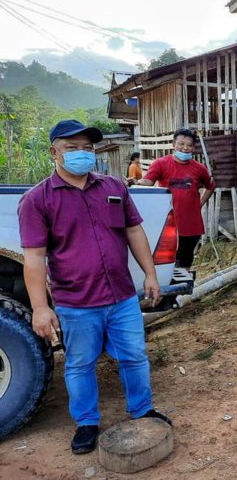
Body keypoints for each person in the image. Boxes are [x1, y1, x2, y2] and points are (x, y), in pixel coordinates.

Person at [18, 119, 171, 455]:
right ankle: (87, 422)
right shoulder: (37, 200)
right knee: (80, 364)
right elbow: (34, 257)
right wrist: (41, 307)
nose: (81, 154)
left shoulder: (113, 187)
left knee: (134, 356)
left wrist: (149, 273)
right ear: (53, 151)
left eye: (87, 148)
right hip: (76, 302)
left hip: (122, 296)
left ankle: (142, 409)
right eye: (71, 148)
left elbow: (134, 232)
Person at [136, 128, 215, 269]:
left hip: (192, 226)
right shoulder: (160, 164)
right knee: (167, 262)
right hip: (168, 224)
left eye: (189, 145)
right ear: (173, 144)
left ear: (193, 147)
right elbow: (148, 181)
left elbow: (210, 186)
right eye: (181, 144)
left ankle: (183, 288)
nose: (185, 148)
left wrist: (200, 203)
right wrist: (135, 183)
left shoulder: (199, 168)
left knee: (185, 260)